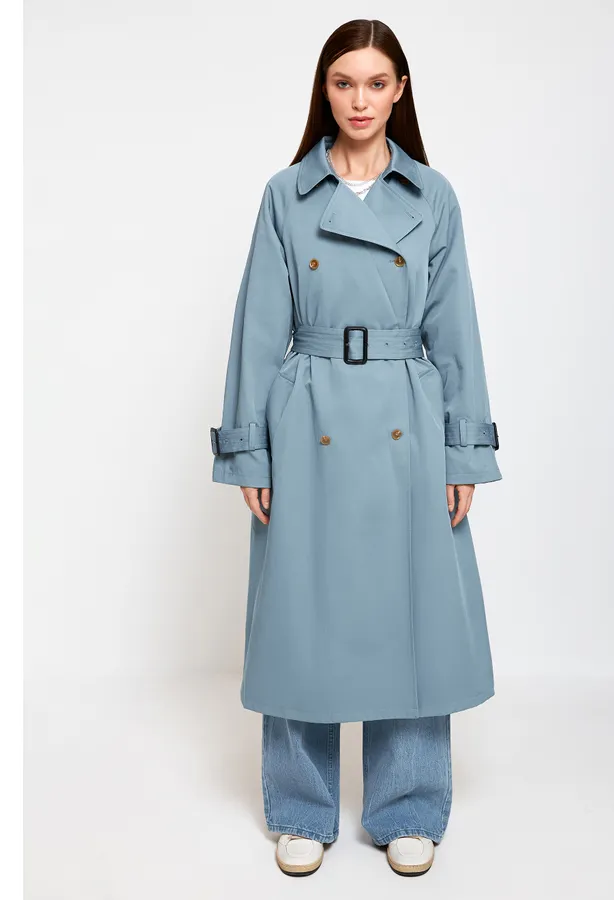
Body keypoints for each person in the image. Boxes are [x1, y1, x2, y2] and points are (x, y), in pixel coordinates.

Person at [210, 18, 502, 877]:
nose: (360, 100)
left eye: (376, 83)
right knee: (298, 609)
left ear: (400, 90)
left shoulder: (432, 195)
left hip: (408, 411)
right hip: (308, 418)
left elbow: (457, 330)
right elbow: (256, 329)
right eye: (344, 82)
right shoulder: (285, 194)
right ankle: (301, 806)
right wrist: (250, 451)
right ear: (324, 90)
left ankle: (408, 804)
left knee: (412, 611)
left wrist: (463, 451)